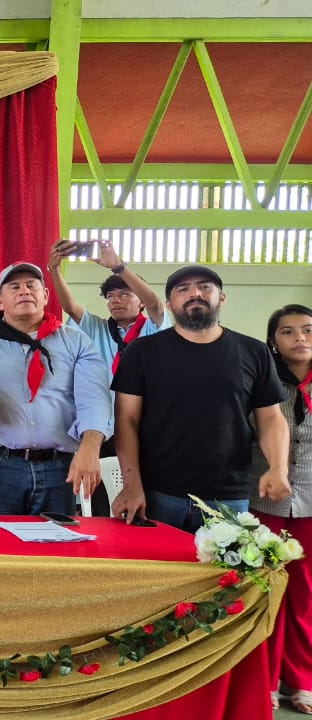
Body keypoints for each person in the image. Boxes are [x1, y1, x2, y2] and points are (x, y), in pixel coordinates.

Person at [110, 265, 290, 531]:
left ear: (222, 298)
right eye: (183, 289)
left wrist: (277, 468)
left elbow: (271, 418)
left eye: (205, 287)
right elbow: (126, 421)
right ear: (170, 305)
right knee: (156, 571)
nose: (195, 293)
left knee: (223, 573)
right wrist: (132, 485)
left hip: (228, 496)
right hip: (157, 494)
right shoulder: (143, 352)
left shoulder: (254, 352)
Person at [0, 261, 110, 516]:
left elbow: (95, 397)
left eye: (32, 286)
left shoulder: (75, 341)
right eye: (15, 287)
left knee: (56, 550)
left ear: (45, 295)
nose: (24, 291)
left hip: (59, 467)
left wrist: (91, 446)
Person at [46, 237, 170, 516]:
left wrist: (118, 268)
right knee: (96, 492)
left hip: (144, 423)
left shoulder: (153, 327)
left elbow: (156, 304)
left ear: (139, 301)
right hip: (102, 425)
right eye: (111, 296)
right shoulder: (98, 328)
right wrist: (54, 270)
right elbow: (71, 308)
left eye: (125, 294)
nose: (116, 301)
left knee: (144, 488)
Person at [250, 304, 312, 714]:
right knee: (265, 589)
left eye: (307, 330)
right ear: (274, 340)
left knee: (305, 595)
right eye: (287, 332)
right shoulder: (262, 383)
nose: (299, 339)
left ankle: (301, 681)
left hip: (310, 503)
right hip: (265, 501)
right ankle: (265, 680)